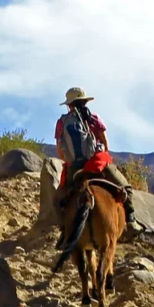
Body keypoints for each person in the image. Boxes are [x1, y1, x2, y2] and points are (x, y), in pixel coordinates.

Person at [55, 87, 138, 231]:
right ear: (85, 102)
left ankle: (64, 230)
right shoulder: (94, 119)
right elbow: (105, 144)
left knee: (60, 199)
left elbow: (60, 150)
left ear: (69, 105)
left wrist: (71, 163)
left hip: (75, 167)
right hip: (98, 163)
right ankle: (131, 220)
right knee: (126, 188)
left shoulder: (62, 122)